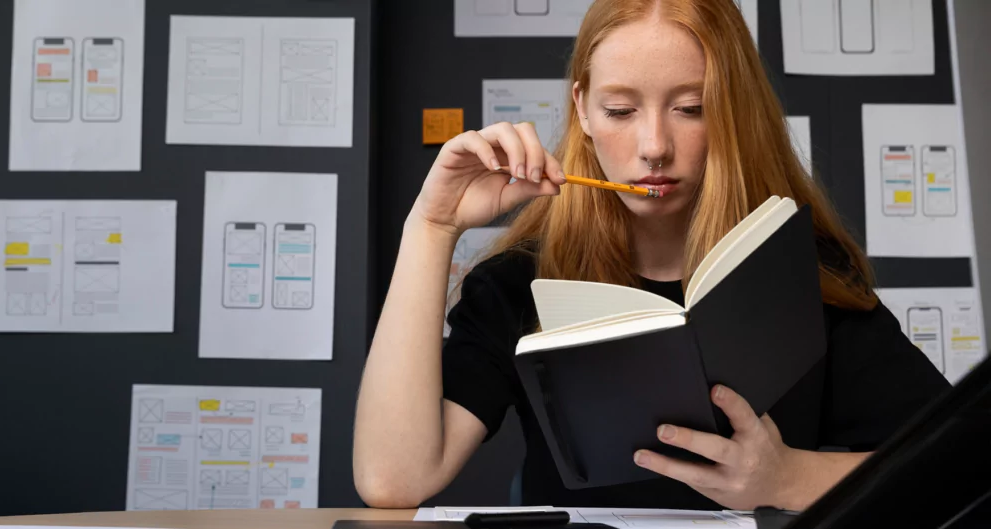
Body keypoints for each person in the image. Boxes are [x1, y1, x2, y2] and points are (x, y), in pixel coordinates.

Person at [352, 0, 950, 512]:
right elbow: (392, 480)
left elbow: (952, 461)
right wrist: (431, 227)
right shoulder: (518, 284)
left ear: (732, 111)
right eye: (620, 111)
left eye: (691, 108)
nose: (655, 147)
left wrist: (788, 479)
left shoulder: (807, 275)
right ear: (583, 109)